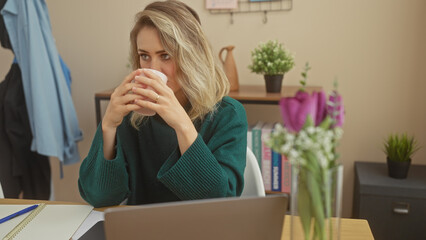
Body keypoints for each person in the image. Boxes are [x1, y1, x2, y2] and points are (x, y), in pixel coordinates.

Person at [78, 0, 248, 208]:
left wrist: (182, 125)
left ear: (192, 56)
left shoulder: (227, 115)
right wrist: (109, 125)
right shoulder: (131, 113)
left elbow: (221, 203)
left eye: (165, 55)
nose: (153, 68)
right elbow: (98, 197)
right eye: (144, 56)